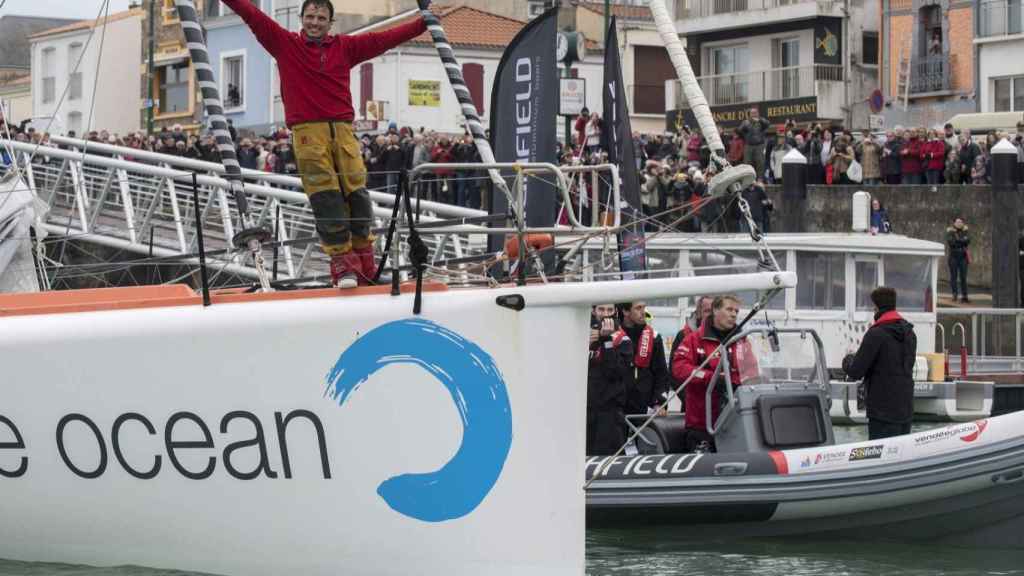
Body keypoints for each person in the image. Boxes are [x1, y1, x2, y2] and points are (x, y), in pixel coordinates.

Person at [223, 0, 428, 288]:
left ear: (330, 22)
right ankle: (343, 266)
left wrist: (423, 22)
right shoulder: (284, 44)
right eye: (310, 17)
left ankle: (365, 266)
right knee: (326, 198)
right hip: (309, 134)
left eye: (321, 18)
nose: (315, 22)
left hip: (343, 132)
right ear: (301, 18)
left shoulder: (345, 47)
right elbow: (252, 14)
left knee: (358, 196)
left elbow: (384, 39)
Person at [672, 294, 759, 452]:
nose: (733, 314)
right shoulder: (694, 339)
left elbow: (751, 372)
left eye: (736, 311)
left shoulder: (741, 340)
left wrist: (736, 381)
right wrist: (709, 377)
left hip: (734, 420)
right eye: (729, 309)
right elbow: (680, 368)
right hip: (702, 423)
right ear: (715, 311)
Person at [842, 287, 917, 440]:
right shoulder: (910, 333)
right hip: (905, 409)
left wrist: (848, 359)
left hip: (882, 412)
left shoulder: (876, 334)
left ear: (876, 307)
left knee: (881, 456)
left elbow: (856, 371)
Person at [587, 304, 631, 456]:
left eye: (609, 310)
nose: (605, 314)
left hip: (609, 414)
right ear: (593, 311)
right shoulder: (581, 333)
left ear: (615, 312)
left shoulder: (622, 339)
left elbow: (616, 372)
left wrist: (606, 341)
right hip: (584, 412)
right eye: (601, 310)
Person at [615, 302, 670, 417]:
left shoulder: (654, 337)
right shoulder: (612, 335)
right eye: (638, 308)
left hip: (644, 409)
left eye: (644, 307)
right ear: (625, 311)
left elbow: (661, 374)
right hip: (616, 408)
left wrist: (660, 402)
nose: (643, 312)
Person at [738, 108, 769, 179]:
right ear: (750, 114)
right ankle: (748, 179)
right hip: (748, 145)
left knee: (760, 162)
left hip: (759, 145)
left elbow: (767, 124)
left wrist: (760, 120)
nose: (754, 114)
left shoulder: (761, 121)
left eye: (755, 113)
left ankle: (760, 179)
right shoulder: (746, 122)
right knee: (747, 162)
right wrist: (745, 124)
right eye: (752, 113)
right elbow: (739, 131)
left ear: (758, 113)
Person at [946, 216, 970, 303]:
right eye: (957, 222)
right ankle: (954, 294)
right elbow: (951, 243)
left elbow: (967, 241)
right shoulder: (950, 232)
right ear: (954, 223)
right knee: (954, 277)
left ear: (963, 223)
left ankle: (964, 296)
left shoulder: (966, 231)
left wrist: (958, 241)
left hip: (963, 257)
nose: (959, 223)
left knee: (963, 277)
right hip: (953, 257)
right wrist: (961, 241)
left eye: (960, 222)